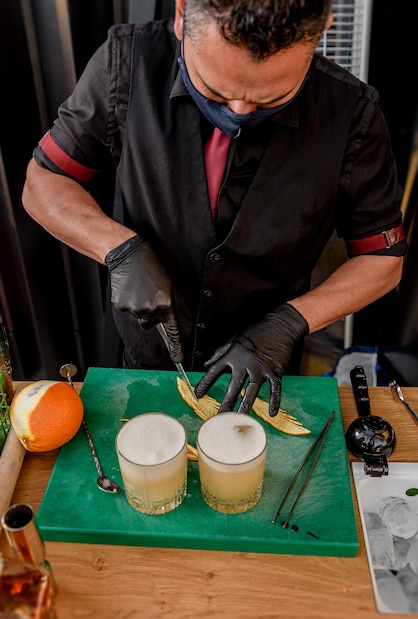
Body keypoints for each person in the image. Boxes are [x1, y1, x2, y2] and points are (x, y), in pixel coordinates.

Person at [21, 0, 406, 418]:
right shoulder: (127, 65)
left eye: (269, 99)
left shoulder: (353, 116)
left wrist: (292, 321)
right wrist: (118, 248)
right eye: (215, 91)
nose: (238, 114)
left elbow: (382, 259)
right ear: (183, 13)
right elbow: (44, 183)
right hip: (137, 356)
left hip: (263, 369)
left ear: (323, 29)